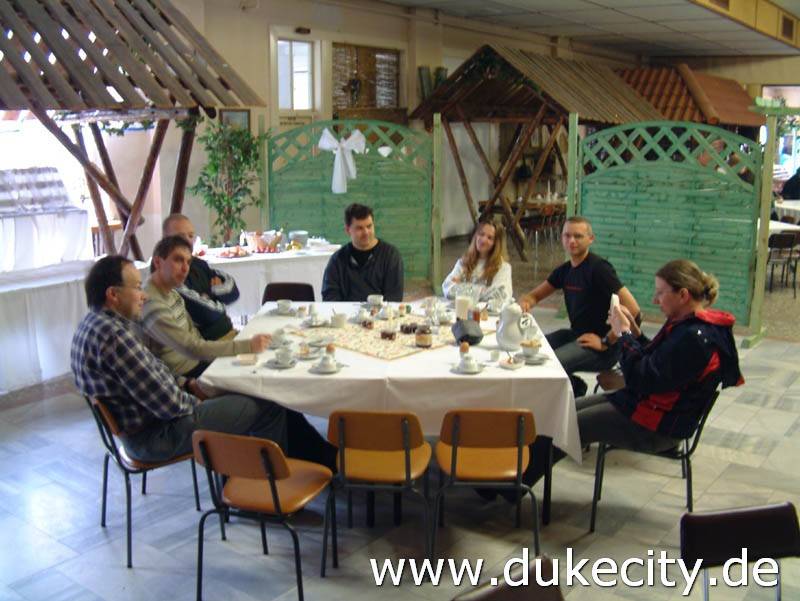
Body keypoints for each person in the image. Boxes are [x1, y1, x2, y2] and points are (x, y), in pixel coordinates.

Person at [523, 259, 744, 486]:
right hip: (646, 407)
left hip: (658, 427)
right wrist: (636, 334)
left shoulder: (694, 337)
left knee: (565, 426)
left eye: (660, 293)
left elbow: (641, 379)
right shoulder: (688, 325)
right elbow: (658, 362)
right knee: (561, 414)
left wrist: (624, 334)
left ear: (683, 295)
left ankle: (513, 487)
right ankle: (514, 481)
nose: (655, 300)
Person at [70, 255, 287, 463]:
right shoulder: (115, 337)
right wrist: (202, 401)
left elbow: (153, 372)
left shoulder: (91, 325)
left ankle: (242, 472)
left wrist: (188, 384)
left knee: (234, 395)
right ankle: (272, 480)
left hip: (145, 429)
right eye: (136, 287)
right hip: (154, 437)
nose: (143, 295)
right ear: (113, 294)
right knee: (267, 402)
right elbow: (170, 404)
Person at [519, 216, 640, 397]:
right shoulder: (565, 270)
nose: (572, 241)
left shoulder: (599, 269)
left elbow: (634, 310)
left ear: (590, 239)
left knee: (550, 364)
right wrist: (525, 303)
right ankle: (575, 386)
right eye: (567, 236)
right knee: (529, 350)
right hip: (577, 334)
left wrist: (606, 341)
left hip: (605, 348)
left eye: (578, 236)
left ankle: (572, 392)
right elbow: (534, 296)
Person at [139, 235, 269, 379]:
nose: (185, 269)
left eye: (188, 262)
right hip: (185, 375)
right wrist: (247, 346)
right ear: (158, 262)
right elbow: (191, 347)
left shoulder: (171, 291)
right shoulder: (151, 302)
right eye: (178, 260)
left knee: (263, 363)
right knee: (256, 375)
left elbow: (194, 335)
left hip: (198, 362)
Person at [162, 214, 239, 341]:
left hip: (229, 333)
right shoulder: (169, 272)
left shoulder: (197, 263)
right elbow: (205, 313)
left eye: (190, 236)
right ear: (165, 239)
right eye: (180, 237)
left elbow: (234, 291)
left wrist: (210, 295)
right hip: (208, 343)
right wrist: (220, 301)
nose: (187, 241)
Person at [322, 203, 404, 302]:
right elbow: (330, 296)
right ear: (348, 230)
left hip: (380, 311)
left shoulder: (391, 256)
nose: (366, 232)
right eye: (359, 228)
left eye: (369, 226)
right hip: (347, 311)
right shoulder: (337, 260)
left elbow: (394, 296)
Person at [441, 219, 513, 303]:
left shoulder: (503, 268)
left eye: (489, 238)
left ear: (496, 244)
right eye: (481, 234)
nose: (483, 240)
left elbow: (501, 296)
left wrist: (461, 286)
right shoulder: (463, 262)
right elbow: (447, 288)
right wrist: (484, 290)